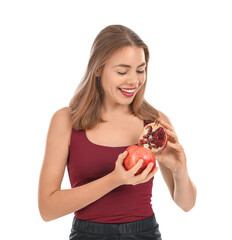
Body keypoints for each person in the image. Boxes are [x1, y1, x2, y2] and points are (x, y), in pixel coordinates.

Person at [38, 24, 197, 240]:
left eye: (140, 70)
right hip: (87, 234)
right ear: (98, 69)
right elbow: (47, 209)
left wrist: (180, 169)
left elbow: (186, 204)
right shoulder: (65, 121)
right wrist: (115, 179)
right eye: (122, 71)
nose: (134, 81)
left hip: (144, 233)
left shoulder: (155, 122)